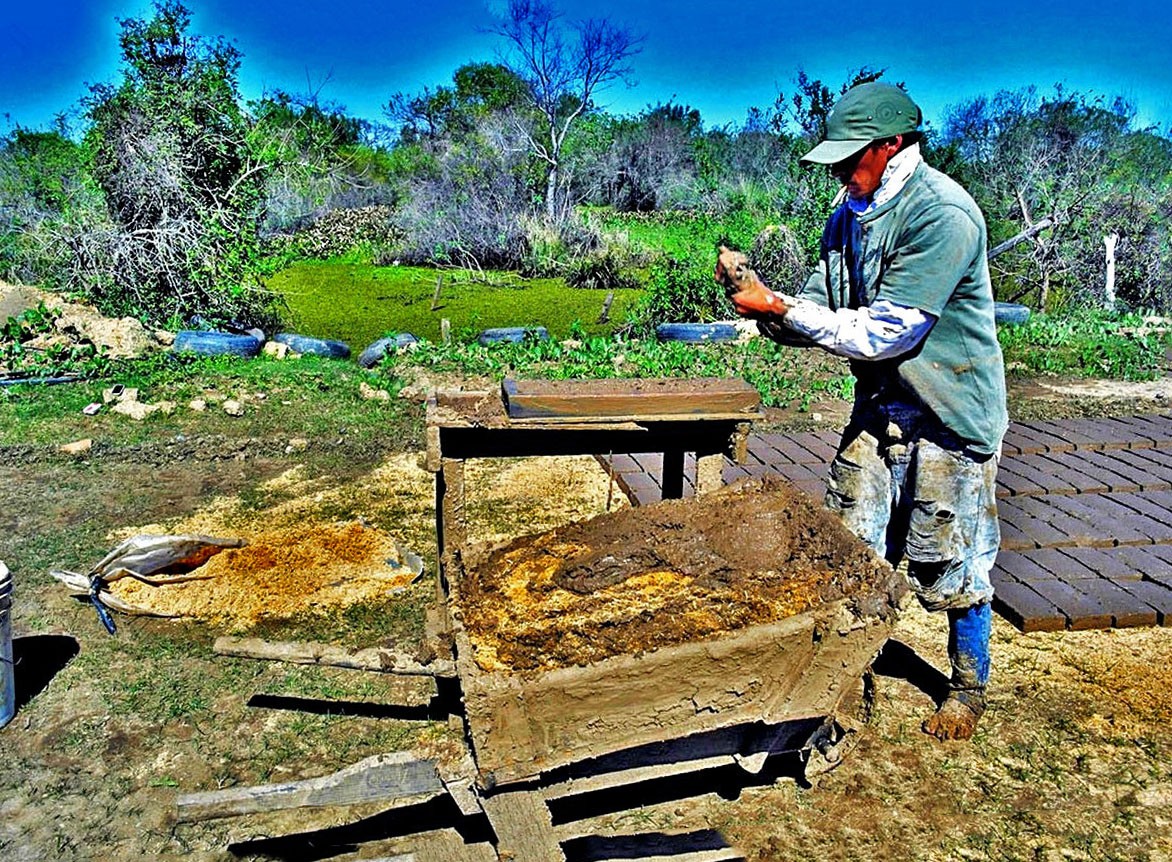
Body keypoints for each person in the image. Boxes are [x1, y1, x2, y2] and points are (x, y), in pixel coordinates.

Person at [720, 81, 1008, 741]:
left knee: (952, 561)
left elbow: (889, 333)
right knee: (849, 544)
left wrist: (784, 309)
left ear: (892, 144)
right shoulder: (848, 213)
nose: (843, 171)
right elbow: (823, 305)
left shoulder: (943, 214)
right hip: (880, 407)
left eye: (853, 158)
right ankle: (847, 678)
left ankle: (967, 689)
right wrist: (765, 303)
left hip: (948, 413)